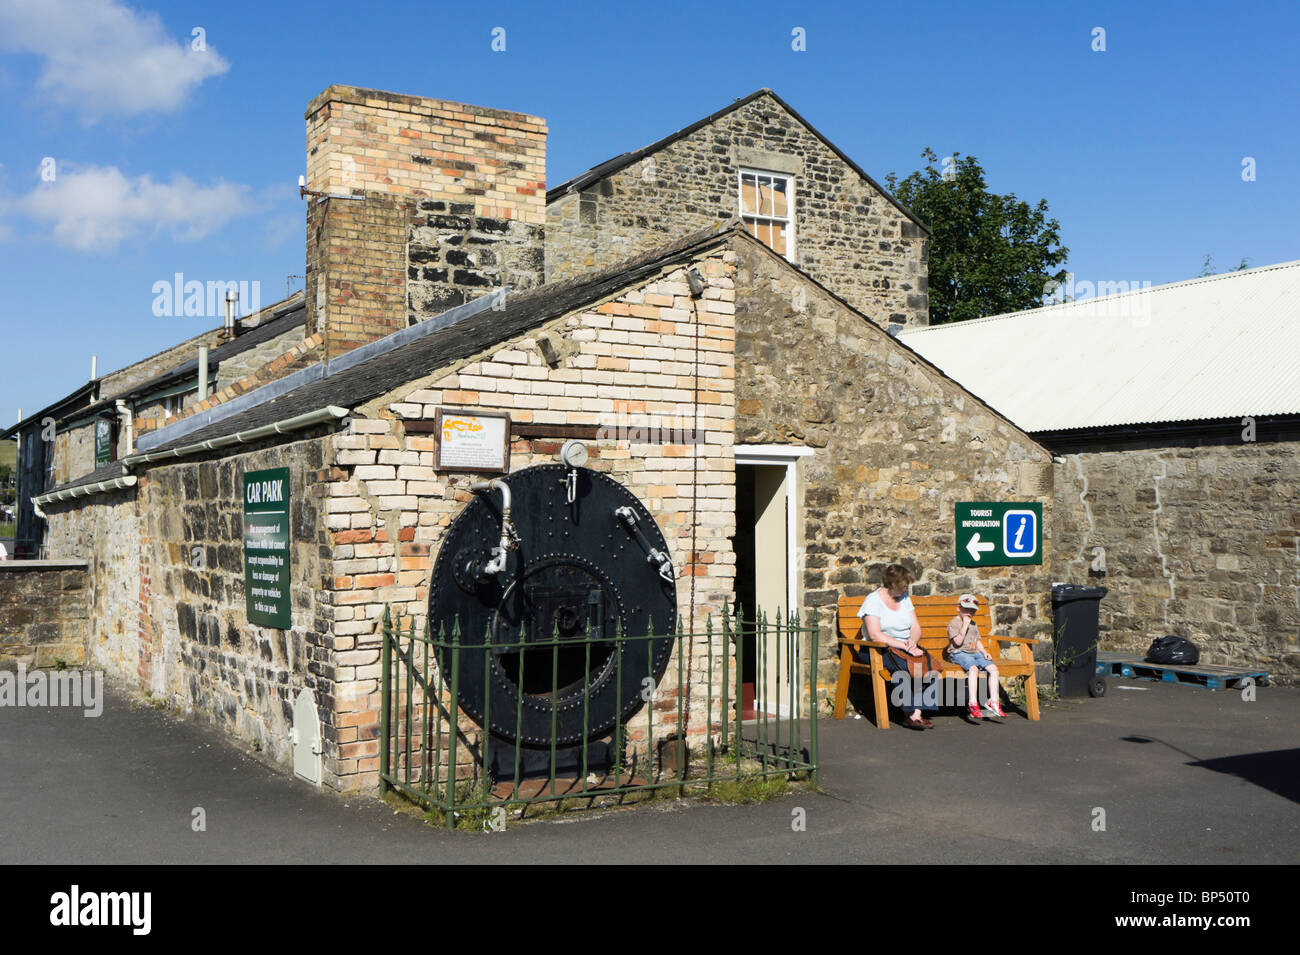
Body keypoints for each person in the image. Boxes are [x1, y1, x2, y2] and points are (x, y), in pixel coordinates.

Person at [857, 564, 936, 729]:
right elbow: (875, 634)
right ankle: (908, 714)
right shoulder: (873, 600)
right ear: (892, 584)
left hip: (904, 646)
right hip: (877, 648)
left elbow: (916, 627)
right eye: (903, 585)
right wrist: (905, 646)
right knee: (903, 668)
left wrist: (912, 643)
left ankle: (917, 713)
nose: (906, 588)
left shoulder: (905, 598)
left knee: (928, 665)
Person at [947, 594, 1005, 719]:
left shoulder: (974, 624)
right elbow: (957, 643)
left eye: (972, 610)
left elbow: (977, 641)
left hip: (974, 653)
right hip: (958, 652)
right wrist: (965, 625)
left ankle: (993, 701)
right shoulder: (954, 623)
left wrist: (984, 652)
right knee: (974, 669)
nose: (969, 612)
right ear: (958, 608)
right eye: (966, 609)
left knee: (993, 669)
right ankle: (973, 703)